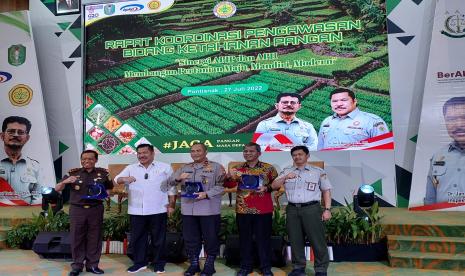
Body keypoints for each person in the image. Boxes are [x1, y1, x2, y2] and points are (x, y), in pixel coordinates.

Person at [114, 144, 177, 274]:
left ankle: (159, 264)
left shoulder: (165, 167)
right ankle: (139, 263)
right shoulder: (131, 168)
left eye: (145, 153)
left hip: (158, 208)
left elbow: (171, 187)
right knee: (138, 238)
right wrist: (124, 179)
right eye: (139, 153)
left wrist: (171, 205)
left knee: (158, 238)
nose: (141, 155)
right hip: (136, 210)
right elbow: (116, 179)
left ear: (152, 153)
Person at [165, 142, 225, 276]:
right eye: (192, 151)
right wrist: (178, 178)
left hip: (208, 209)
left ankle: (210, 265)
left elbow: (222, 186)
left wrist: (206, 194)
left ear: (206, 152)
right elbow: (167, 183)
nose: (195, 153)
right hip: (188, 210)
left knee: (210, 238)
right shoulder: (184, 168)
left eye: (198, 151)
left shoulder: (216, 167)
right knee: (191, 238)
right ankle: (194, 264)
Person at [272, 146, 332, 276]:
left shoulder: (317, 171)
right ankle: (298, 268)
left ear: (307, 156)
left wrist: (327, 209)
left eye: (300, 154)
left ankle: (321, 269)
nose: (297, 157)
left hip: (312, 209)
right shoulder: (287, 171)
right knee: (295, 240)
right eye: (294, 155)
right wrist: (285, 177)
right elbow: (274, 186)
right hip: (292, 209)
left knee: (317, 240)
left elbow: (326, 191)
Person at [55, 150, 113, 276]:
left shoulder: (103, 173)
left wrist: (105, 195)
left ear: (96, 160)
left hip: (95, 209)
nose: (86, 161)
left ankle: (93, 265)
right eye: (84, 159)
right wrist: (65, 181)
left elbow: (109, 188)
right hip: (77, 209)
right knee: (77, 237)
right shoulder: (72, 173)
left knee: (94, 237)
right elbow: (57, 188)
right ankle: (77, 266)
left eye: (90, 159)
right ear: (81, 160)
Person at [224, 142, 278, 276]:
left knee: (263, 239)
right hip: (243, 209)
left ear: (259, 153)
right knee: (244, 239)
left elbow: (276, 184)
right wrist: (229, 176)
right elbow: (229, 184)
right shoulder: (237, 168)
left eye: (251, 151)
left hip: (263, 209)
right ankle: (245, 266)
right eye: (245, 151)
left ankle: (265, 267)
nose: (247, 153)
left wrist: (267, 188)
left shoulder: (268, 168)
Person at [317, 88, 389, 150]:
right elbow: (320, 149)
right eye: (334, 101)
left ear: (355, 101)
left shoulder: (373, 121)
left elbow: (384, 149)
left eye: (344, 100)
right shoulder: (326, 122)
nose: (339, 104)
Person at [425, 97, 465, 205]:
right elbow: (430, 200)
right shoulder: (438, 156)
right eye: (451, 119)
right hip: (441, 220)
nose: (459, 124)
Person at [0, 116, 43, 205]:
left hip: (24, 216)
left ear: (27, 138)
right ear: (2, 136)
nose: (15, 135)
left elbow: (37, 198)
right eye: (11, 131)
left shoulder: (35, 166)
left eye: (20, 132)